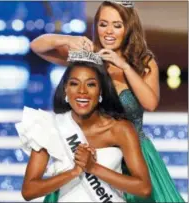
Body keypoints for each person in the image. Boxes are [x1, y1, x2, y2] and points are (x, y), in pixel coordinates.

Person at [30, 1, 184, 202]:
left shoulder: (143, 62)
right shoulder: (89, 57)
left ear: (128, 27)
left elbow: (150, 103)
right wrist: (68, 38)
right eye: (103, 24)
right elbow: (37, 46)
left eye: (116, 25)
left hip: (135, 158)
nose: (109, 31)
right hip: (95, 157)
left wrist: (124, 66)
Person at [15, 50, 152, 202]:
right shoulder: (50, 126)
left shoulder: (120, 129)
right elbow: (28, 191)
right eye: (74, 84)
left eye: (91, 84)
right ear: (65, 88)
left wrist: (93, 168)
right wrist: (74, 172)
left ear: (101, 90)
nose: (82, 91)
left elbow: (144, 188)